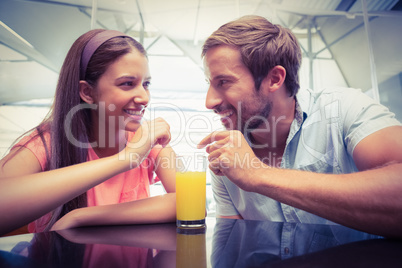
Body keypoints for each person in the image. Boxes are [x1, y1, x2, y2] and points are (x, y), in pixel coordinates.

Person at [197, 15, 402, 238]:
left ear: (274, 79)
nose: (209, 102)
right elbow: (231, 247)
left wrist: (258, 175)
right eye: (209, 83)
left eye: (223, 82)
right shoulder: (226, 156)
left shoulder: (344, 108)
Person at [0, 29, 176, 236]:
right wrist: (126, 158)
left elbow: (193, 203)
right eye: (127, 84)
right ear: (87, 92)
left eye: (145, 84)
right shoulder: (45, 143)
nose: (144, 97)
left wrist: (82, 217)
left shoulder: (150, 141)